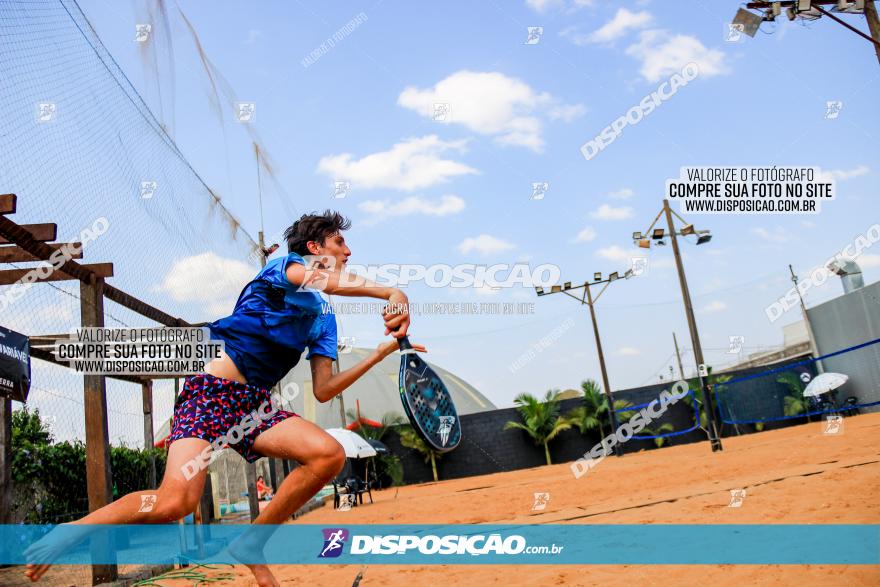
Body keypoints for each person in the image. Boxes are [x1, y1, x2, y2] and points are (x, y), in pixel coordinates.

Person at [24, 211, 425, 587]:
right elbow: (325, 281)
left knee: (328, 454)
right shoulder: (283, 269)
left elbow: (324, 388)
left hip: (253, 406)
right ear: (315, 248)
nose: (348, 250)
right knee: (173, 503)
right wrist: (391, 290)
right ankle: (71, 531)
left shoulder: (324, 318)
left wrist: (380, 353)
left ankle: (252, 542)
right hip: (210, 392)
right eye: (340, 242)